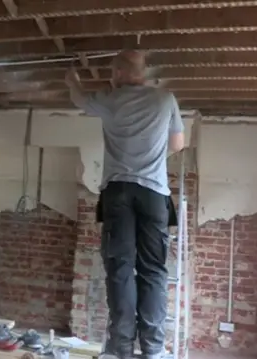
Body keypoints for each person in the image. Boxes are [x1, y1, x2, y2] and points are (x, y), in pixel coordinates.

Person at [65, 50, 185, 359]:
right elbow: (177, 144)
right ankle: (154, 350)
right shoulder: (165, 98)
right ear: (143, 72)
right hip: (154, 194)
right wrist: (153, 158)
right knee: (154, 271)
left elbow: (78, 98)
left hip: (118, 193)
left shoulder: (109, 98)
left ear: (118, 73)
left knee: (120, 269)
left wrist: (72, 77)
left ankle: (121, 349)